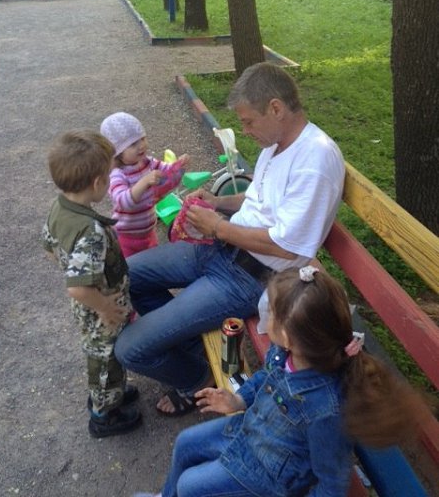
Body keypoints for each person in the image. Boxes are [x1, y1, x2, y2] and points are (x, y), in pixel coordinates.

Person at [115, 62, 345, 416]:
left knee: (129, 349)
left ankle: (196, 378)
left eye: (248, 121)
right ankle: (191, 349)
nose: (245, 130)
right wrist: (218, 203)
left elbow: (289, 246)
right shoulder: (277, 144)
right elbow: (258, 200)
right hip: (220, 250)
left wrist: (218, 227)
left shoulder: (315, 159)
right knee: (124, 275)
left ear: (276, 108)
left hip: (247, 277)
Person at [134, 267, 430, 497]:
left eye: (272, 312)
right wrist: (238, 399)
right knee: (186, 443)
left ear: (288, 336)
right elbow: (266, 377)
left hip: (268, 474)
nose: (266, 316)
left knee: (190, 486)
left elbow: (332, 481)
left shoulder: (325, 410)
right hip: (252, 430)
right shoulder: (286, 353)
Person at [41, 130, 142, 438]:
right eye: (109, 176)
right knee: (105, 358)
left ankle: (113, 393)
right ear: (97, 183)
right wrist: (105, 307)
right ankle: (103, 414)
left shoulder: (61, 207)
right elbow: (77, 287)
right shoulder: (90, 231)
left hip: (90, 303)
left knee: (105, 354)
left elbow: (49, 246)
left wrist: (71, 268)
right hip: (99, 308)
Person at [100, 111, 190, 258]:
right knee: (131, 267)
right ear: (117, 152)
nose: (141, 145)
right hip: (126, 237)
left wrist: (179, 166)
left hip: (148, 232)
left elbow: (168, 173)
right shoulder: (117, 174)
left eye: (142, 138)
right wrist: (144, 182)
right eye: (132, 144)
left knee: (152, 264)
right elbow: (123, 202)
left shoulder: (148, 162)